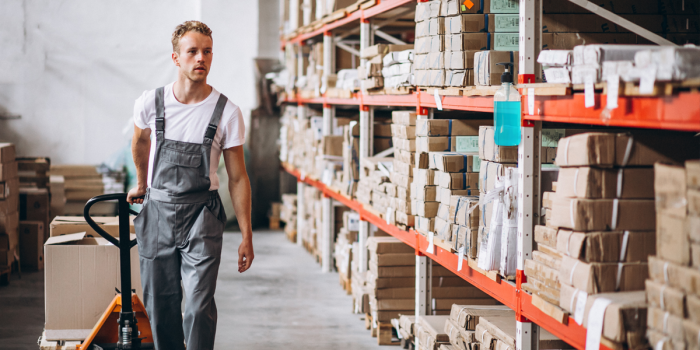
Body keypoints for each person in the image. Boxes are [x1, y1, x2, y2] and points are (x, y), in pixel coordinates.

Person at [127, 20, 254, 350]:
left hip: (203, 215)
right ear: (176, 58)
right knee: (161, 307)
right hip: (157, 214)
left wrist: (247, 235)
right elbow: (139, 140)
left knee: (198, 308)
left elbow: (238, 178)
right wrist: (142, 183)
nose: (201, 58)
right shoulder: (151, 103)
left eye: (207, 51)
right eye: (193, 51)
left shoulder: (227, 112)